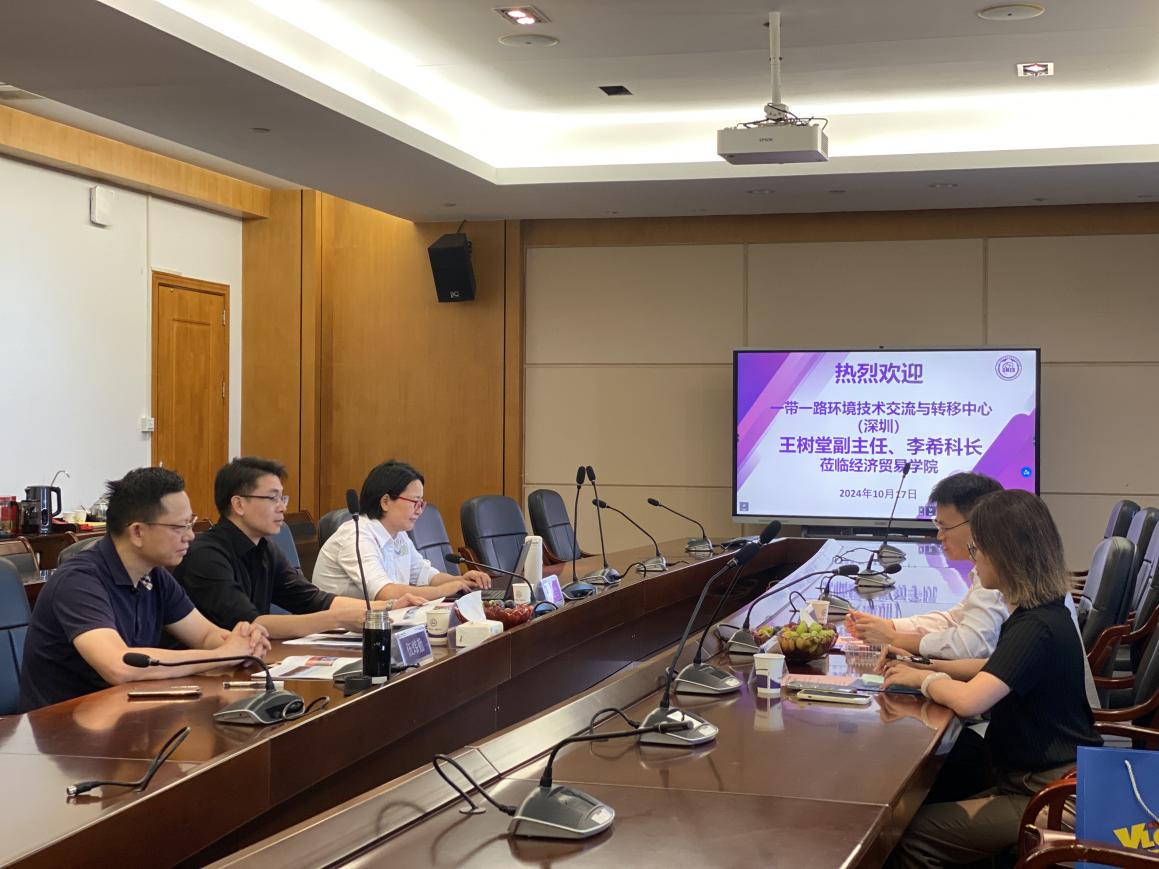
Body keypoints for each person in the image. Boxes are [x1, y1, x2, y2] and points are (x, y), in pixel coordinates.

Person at [882, 489, 1102, 868]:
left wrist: (921, 682)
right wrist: (927, 668)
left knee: (911, 835)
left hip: (1053, 797)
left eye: (977, 549)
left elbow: (971, 700)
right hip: (1037, 780)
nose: (974, 560)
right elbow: (994, 667)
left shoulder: (1035, 627)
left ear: (1006, 554)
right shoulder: (1040, 612)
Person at [18, 467, 271, 711]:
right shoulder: (79, 581)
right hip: (63, 727)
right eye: (179, 527)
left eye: (190, 523)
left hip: (127, 712)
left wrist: (244, 643)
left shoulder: (154, 575)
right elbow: (119, 665)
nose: (190, 536)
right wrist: (221, 656)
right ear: (137, 532)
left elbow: (205, 636)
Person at [175, 457, 426, 640]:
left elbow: (312, 600)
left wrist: (388, 607)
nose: (282, 507)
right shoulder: (206, 555)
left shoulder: (266, 549)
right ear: (239, 504)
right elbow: (250, 622)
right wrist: (338, 619)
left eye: (282, 498)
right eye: (272, 498)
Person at [846, 472, 1006, 659]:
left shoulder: (997, 574)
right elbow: (955, 620)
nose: (939, 536)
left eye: (945, 527)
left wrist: (894, 638)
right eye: (938, 526)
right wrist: (891, 626)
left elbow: (970, 646)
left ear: (978, 523)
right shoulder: (985, 566)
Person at [312, 460, 492, 601]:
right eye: (415, 502)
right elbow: (386, 593)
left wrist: (460, 581)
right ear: (385, 502)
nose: (419, 510)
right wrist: (442, 591)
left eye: (421, 503)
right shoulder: (356, 536)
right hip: (340, 631)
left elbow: (425, 574)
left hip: (381, 621)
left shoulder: (398, 534)